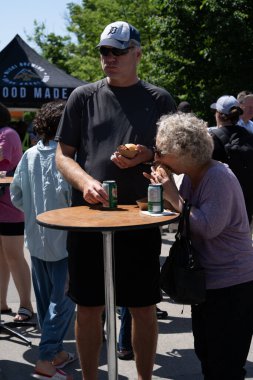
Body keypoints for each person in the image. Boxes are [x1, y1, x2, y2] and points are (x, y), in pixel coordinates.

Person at [55, 20, 176, 380]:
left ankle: (143, 378)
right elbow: (63, 155)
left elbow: (174, 156)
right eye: (105, 52)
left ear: (137, 54)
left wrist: (148, 153)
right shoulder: (83, 97)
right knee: (89, 306)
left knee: (142, 306)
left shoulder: (159, 99)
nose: (109, 58)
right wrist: (86, 180)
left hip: (141, 217)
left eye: (118, 52)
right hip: (89, 217)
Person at [144, 112, 253, 380]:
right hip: (208, 283)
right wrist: (165, 193)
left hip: (231, 285)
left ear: (184, 151)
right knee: (207, 355)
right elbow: (187, 217)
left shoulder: (217, 177)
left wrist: (172, 195)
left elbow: (206, 227)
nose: (156, 158)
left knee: (224, 365)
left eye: (161, 151)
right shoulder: (194, 175)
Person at [10, 100, 76, 380]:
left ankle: (56, 352)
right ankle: (47, 358)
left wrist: (35, 213)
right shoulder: (68, 159)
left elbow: (16, 196)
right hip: (65, 241)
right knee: (62, 304)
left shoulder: (29, 155)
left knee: (47, 300)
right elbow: (73, 200)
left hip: (36, 238)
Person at [0, 102, 33, 321]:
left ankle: (25, 305)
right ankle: (2, 304)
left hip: (10, 207)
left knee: (13, 256)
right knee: (1, 258)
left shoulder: (7, 133)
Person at [209, 95, 253, 225]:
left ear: (218, 114)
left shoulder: (212, 139)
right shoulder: (250, 136)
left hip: (221, 208)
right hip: (246, 206)